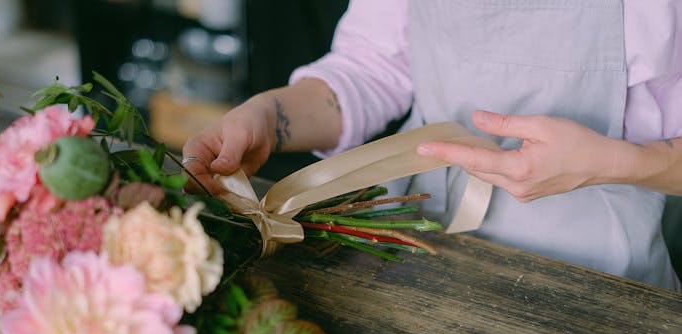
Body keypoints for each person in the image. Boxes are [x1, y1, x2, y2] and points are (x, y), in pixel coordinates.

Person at [182, 1, 682, 290]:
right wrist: (269, 119)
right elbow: (372, 66)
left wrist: (616, 162)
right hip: (414, 243)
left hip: (599, 284)